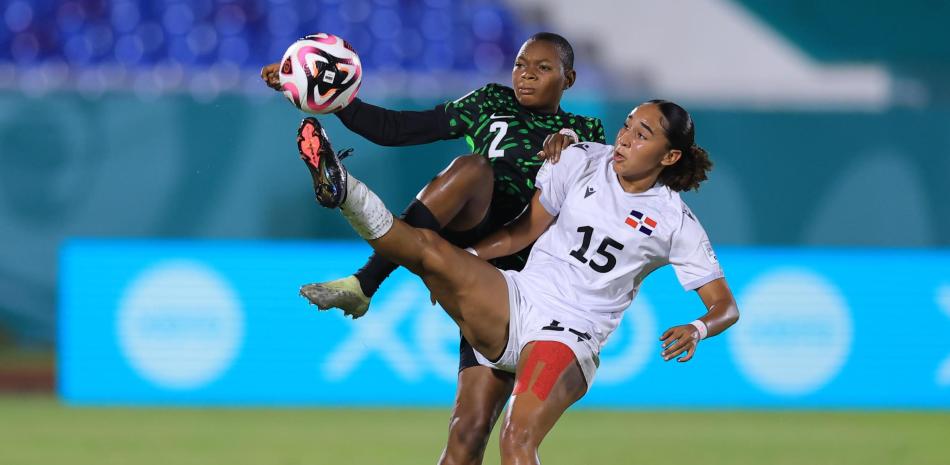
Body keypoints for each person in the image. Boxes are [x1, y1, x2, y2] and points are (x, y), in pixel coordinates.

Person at [293, 98, 740, 464]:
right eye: (626, 126)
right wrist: (463, 262)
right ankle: (342, 186)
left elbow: (725, 307)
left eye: (642, 134)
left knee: (516, 438)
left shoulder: (675, 222)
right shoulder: (582, 158)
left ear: (670, 155)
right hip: (518, 297)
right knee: (429, 250)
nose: (624, 138)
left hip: (570, 332)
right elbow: (524, 231)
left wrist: (698, 328)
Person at [263, 33, 605, 465]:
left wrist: (573, 141)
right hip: (476, 237)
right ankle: (366, 278)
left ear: (569, 78)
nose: (527, 75)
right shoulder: (489, 102)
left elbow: (600, 201)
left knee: (467, 438)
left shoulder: (590, 134)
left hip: (524, 286)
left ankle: (366, 279)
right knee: (471, 168)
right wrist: (322, 92)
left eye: (542, 68)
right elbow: (400, 129)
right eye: (520, 64)